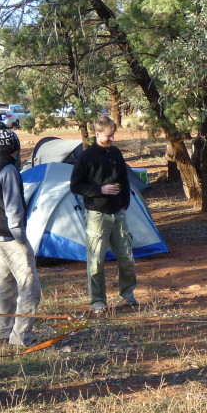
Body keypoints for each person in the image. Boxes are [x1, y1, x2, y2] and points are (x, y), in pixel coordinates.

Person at [69, 116, 137, 313]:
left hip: (118, 212)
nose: (112, 139)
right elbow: (75, 185)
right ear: (97, 134)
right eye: (108, 136)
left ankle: (128, 293)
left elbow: (124, 179)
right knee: (96, 260)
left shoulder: (115, 153)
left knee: (126, 257)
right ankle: (98, 301)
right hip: (96, 215)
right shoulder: (86, 157)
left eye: (113, 135)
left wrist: (125, 204)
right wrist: (100, 190)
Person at [0, 129, 42, 347]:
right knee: (30, 288)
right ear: (15, 149)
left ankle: (4, 331)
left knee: (5, 284)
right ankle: (19, 338)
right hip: (10, 237)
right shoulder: (8, 169)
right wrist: (21, 238)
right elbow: (13, 206)